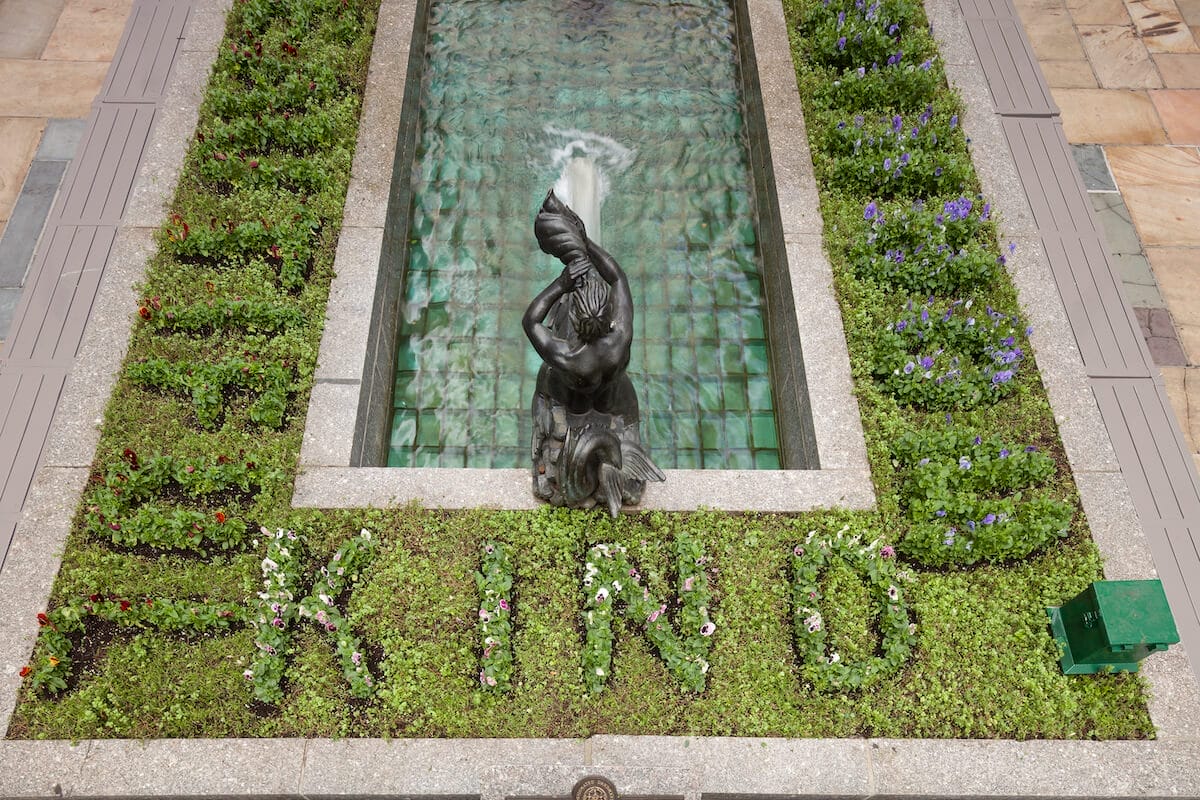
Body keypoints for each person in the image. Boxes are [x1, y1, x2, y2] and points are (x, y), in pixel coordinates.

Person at [523, 190, 662, 516]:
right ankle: (611, 457)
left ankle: (563, 459)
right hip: (612, 396)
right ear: (610, 314)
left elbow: (531, 320)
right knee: (613, 396)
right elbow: (616, 276)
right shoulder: (620, 338)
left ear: (574, 321)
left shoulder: (568, 356)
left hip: (575, 397)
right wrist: (586, 241)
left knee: (550, 381)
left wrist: (562, 284)